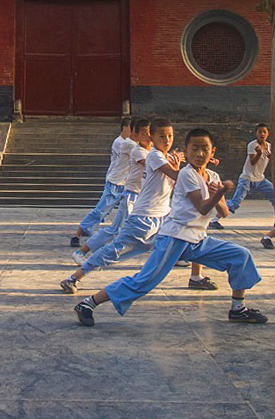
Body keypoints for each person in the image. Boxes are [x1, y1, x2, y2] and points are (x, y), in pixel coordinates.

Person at [73, 128, 267, 326]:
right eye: (194, 149)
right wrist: (219, 193)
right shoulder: (186, 174)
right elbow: (202, 207)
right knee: (145, 281)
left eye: (205, 149)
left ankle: (237, 309)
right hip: (175, 238)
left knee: (240, 255)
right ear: (186, 150)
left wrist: (219, 193)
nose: (200, 154)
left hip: (197, 239)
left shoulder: (213, 176)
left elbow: (224, 212)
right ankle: (89, 303)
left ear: (213, 152)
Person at [60, 117, 183, 294]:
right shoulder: (149, 154)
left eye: (170, 136)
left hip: (162, 215)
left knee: (181, 242)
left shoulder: (162, 156)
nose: (167, 140)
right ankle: (74, 276)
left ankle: (194, 275)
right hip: (141, 214)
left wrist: (184, 162)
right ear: (151, 137)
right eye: (161, 136)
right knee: (114, 244)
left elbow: (174, 179)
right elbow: (177, 175)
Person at [73, 118, 150, 261]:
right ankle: (80, 239)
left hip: (129, 187)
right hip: (117, 184)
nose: (149, 137)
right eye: (145, 133)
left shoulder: (138, 147)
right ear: (133, 131)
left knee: (127, 227)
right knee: (103, 214)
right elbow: (149, 161)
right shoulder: (127, 144)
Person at [70, 118, 132, 247]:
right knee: (101, 211)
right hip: (116, 183)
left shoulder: (131, 144)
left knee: (126, 214)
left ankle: (122, 238)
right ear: (125, 128)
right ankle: (78, 234)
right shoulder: (121, 143)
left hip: (127, 184)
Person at [212, 124, 273, 229]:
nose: (262, 134)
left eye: (264, 132)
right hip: (247, 178)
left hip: (260, 179)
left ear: (268, 134)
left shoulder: (269, 146)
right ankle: (214, 220)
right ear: (256, 133)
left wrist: (270, 157)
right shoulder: (252, 145)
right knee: (236, 202)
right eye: (260, 132)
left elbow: (271, 159)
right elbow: (253, 162)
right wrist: (259, 153)